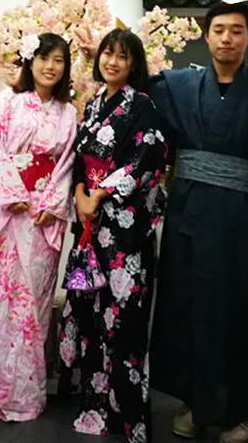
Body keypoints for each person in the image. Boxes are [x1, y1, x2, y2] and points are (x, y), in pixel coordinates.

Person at [147, 3, 248, 443]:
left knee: (236, 311)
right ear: (206, 35)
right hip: (189, 213)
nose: (226, 38)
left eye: (236, 30)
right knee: (185, 306)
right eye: (218, 29)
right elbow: (138, 88)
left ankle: (234, 413)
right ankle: (193, 403)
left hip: (240, 216)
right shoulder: (180, 85)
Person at [58, 28, 167, 443]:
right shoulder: (92, 104)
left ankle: (128, 416)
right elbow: (78, 160)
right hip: (90, 228)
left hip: (125, 235)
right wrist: (81, 195)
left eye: (123, 56)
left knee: (124, 321)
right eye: (108, 53)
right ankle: (93, 405)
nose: (113, 62)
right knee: (89, 315)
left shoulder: (142, 106)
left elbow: (147, 160)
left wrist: (100, 193)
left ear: (133, 64)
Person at [0, 33, 77, 421]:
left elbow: (67, 165)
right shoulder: (7, 102)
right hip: (6, 213)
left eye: (58, 60)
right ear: (30, 61)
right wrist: (10, 193)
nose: (50, 66)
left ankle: (26, 394)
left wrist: (53, 203)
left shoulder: (68, 113)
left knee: (34, 303)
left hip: (41, 217)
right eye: (44, 58)